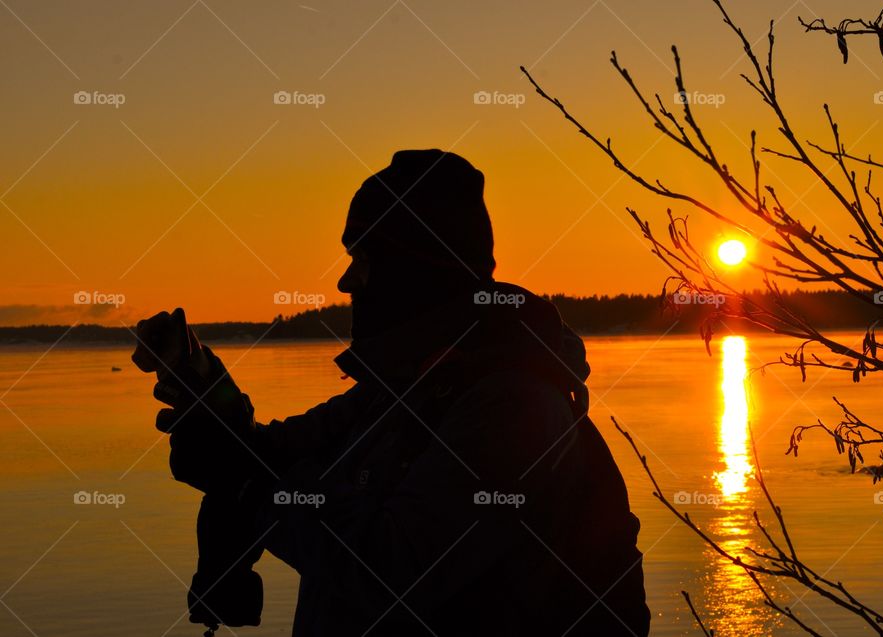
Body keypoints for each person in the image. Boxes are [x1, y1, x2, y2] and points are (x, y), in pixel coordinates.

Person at [133, 149, 651, 636]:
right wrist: (203, 386)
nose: (345, 282)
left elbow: (389, 572)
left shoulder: (512, 409)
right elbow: (267, 452)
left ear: (413, 272)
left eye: (362, 259)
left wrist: (250, 488)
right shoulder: (400, 394)